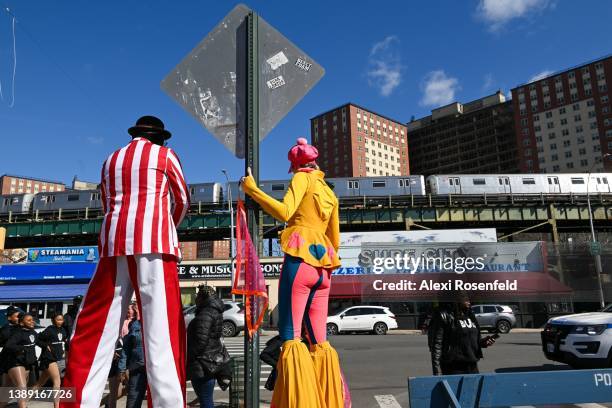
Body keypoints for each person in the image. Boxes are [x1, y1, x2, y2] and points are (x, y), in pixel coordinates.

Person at [61, 115, 190, 408]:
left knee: (95, 328)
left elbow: (106, 203)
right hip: (155, 244)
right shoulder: (166, 155)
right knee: (161, 330)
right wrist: (167, 227)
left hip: (113, 243)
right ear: (160, 137)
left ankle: (78, 401)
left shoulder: (110, 160)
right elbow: (181, 200)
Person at [241, 137, 345, 407]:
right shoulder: (329, 191)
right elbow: (334, 239)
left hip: (299, 262)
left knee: (291, 337)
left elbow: (285, 211)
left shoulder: (302, 178)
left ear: (296, 165)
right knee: (320, 342)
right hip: (324, 271)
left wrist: (253, 190)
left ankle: (298, 402)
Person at [428, 296, 496, 375]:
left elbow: (470, 341)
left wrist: (483, 342)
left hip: (472, 366)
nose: (469, 299)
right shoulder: (443, 315)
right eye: (465, 297)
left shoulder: (470, 314)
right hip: (454, 368)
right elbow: (437, 347)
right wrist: (438, 374)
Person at [186, 285, 227, 408]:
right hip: (210, 361)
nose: (196, 299)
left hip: (202, 364)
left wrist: (189, 357)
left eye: (198, 296)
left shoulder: (205, 314)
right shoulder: (214, 312)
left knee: (205, 400)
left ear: (203, 297)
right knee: (206, 398)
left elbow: (200, 342)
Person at [2, 313, 38, 408]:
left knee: (6, 392)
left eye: (32, 319)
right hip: (15, 363)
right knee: (22, 388)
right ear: (22, 323)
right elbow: (8, 345)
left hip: (26, 364)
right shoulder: (18, 333)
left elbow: (39, 340)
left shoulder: (33, 332)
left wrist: (47, 345)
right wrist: (21, 348)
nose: (32, 322)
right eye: (29, 320)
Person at [35, 314, 68, 408]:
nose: (60, 321)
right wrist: (45, 345)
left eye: (61, 320)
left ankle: (24, 400)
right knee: (57, 381)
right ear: (53, 320)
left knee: (39, 383)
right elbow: (37, 339)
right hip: (48, 358)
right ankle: (56, 406)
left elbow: (63, 341)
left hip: (56, 358)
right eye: (58, 320)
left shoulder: (63, 330)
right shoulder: (49, 329)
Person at [118, 304, 147, 408]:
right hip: (137, 367)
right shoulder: (134, 325)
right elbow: (126, 348)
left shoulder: (156, 323)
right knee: (133, 400)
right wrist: (122, 369)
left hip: (155, 368)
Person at [0, 307, 22, 400]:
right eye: (17, 317)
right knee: (21, 385)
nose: (19, 318)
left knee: (6, 386)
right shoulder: (6, 329)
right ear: (9, 318)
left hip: (18, 360)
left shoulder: (20, 327)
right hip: (9, 360)